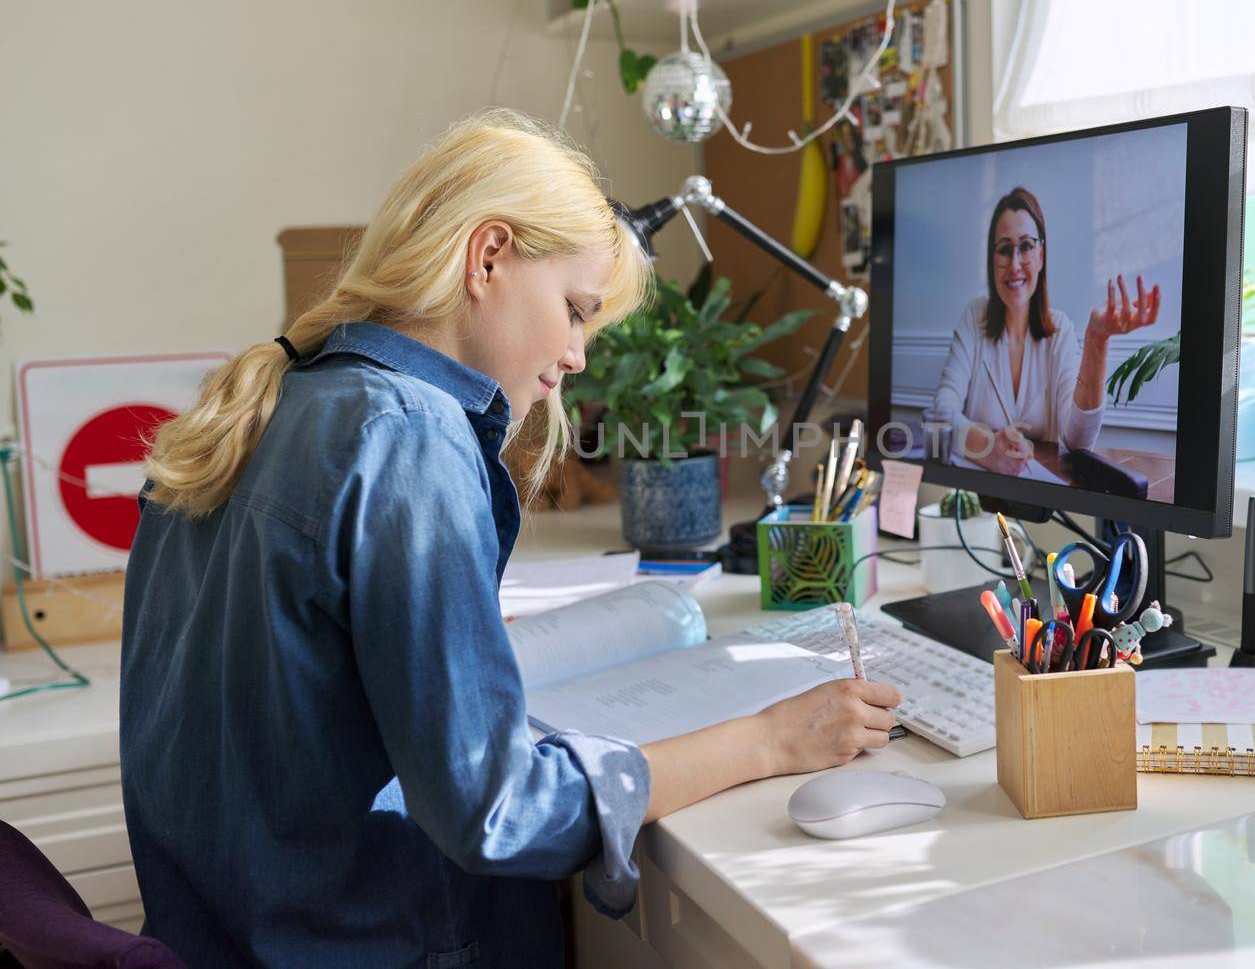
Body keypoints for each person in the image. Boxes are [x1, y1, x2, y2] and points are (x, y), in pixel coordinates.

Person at [120, 109, 902, 966]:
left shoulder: (268, 406)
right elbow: (499, 811)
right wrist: (769, 739)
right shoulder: (407, 437)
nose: (576, 355)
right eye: (573, 310)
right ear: (488, 255)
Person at [931, 186, 1161, 476]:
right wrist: (988, 449)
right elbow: (940, 413)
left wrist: (1096, 342)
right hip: (979, 496)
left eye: (1026, 246)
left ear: (1041, 254)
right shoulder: (973, 318)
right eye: (1004, 249)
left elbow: (1078, 440)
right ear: (993, 260)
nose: (1014, 264)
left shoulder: (1060, 331)